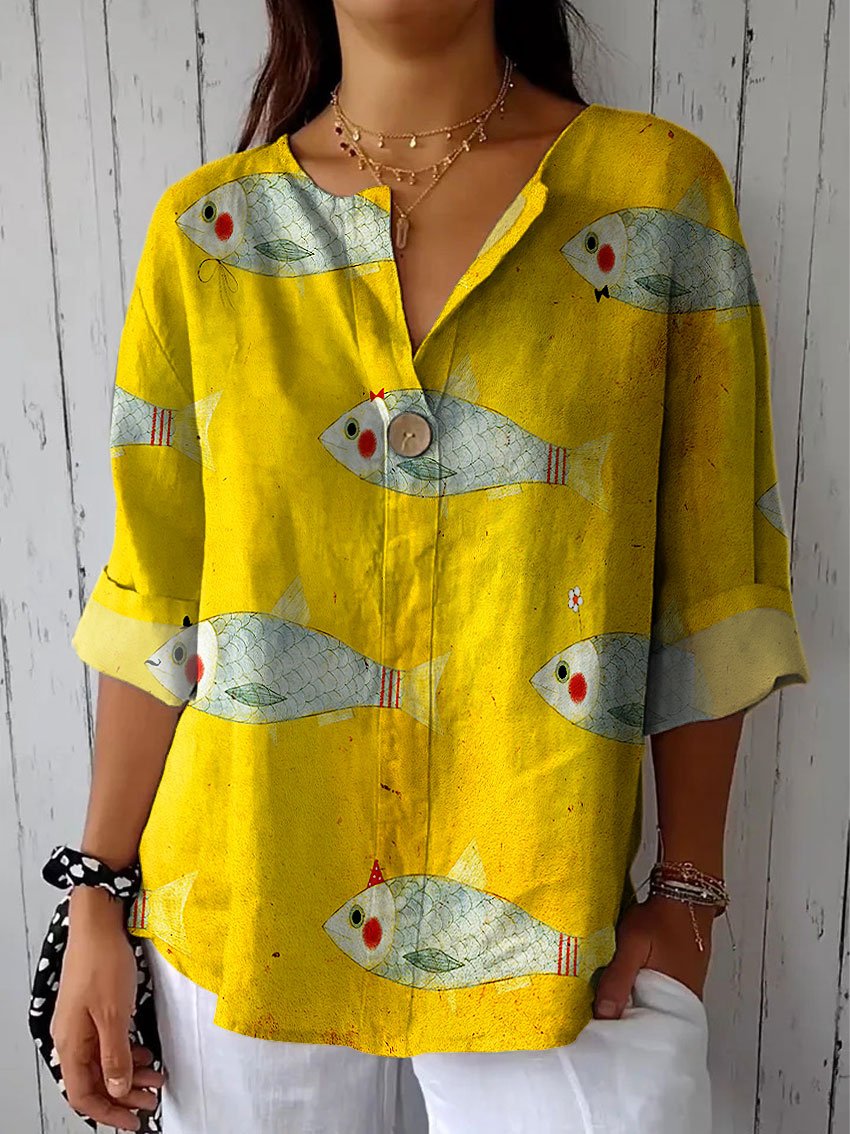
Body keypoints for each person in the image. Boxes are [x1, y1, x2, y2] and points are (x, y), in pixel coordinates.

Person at [46, 1, 811, 1131]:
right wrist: (98, 901)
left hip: (559, 922)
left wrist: (688, 893)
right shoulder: (209, 234)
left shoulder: (654, 196)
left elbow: (714, 580)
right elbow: (155, 596)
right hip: (241, 908)